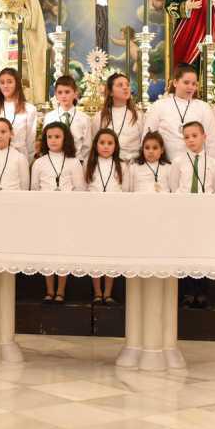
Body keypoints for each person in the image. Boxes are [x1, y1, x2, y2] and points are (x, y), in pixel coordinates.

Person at [31, 122, 85, 304]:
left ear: (65, 139)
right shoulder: (39, 163)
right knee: (47, 252)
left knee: (62, 252)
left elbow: (80, 189)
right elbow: (34, 189)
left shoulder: (73, 162)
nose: (53, 140)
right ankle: (49, 290)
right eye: (49, 137)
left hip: (66, 214)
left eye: (57, 136)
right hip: (45, 214)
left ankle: (61, 290)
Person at [171, 121, 215, 308]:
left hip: (204, 212)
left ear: (204, 136)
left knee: (203, 251)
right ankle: (187, 292)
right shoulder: (178, 162)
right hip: (184, 212)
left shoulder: (214, 163)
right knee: (185, 251)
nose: (191, 140)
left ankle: (202, 292)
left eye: (194, 136)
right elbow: (175, 186)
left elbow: (213, 188)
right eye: (187, 137)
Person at [144, 64, 215, 163]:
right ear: (175, 82)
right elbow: (148, 137)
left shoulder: (204, 107)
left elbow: (212, 142)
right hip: (166, 166)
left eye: (194, 84)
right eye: (186, 82)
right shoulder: (159, 106)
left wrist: (211, 167)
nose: (190, 87)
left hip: (196, 167)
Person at [84, 128, 126, 304]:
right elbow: (84, 187)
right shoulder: (89, 162)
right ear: (96, 145)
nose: (106, 146)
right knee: (95, 253)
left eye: (110, 143)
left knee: (111, 254)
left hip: (114, 214)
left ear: (115, 146)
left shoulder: (122, 165)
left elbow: (127, 188)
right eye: (102, 143)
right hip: (94, 213)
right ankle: (97, 292)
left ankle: (108, 293)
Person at [0, 67, 38, 161]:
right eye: (2, 82)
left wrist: (28, 161)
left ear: (17, 84)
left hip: (20, 156)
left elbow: (30, 141)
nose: (5, 86)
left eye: (9, 82)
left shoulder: (29, 109)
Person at [93, 73, 143, 162]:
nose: (125, 87)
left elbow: (143, 142)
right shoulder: (100, 116)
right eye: (120, 85)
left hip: (132, 164)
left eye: (127, 85)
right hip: (108, 164)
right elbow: (95, 143)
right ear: (111, 92)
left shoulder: (138, 115)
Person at [42, 75, 91, 161]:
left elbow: (87, 146)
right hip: (54, 161)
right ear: (56, 95)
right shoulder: (49, 117)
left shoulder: (84, 118)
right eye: (60, 92)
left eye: (67, 92)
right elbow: (45, 142)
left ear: (75, 93)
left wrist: (80, 161)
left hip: (77, 160)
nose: (63, 96)